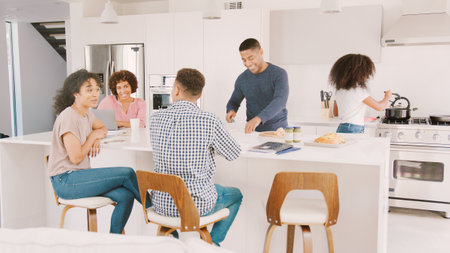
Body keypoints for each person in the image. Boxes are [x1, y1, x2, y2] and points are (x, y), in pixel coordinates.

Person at [48, 69, 150, 234]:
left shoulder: (86, 113)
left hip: (79, 176)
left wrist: (95, 136)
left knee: (125, 196)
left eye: (96, 89)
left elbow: (102, 127)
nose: (95, 94)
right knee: (127, 173)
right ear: (75, 94)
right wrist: (93, 136)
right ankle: (155, 212)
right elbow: (76, 157)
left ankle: (112, 242)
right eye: (89, 90)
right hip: (66, 180)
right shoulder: (68, 117)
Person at [150, 68, 242, 246]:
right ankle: (211, 245)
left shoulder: (155, 118)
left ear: (176, 90)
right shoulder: (209, 120)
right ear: (199, 94)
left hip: (161, 204)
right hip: (195, 206)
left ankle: (173, 244)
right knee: (236, 195)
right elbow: (233, 153)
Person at [226, 38, 289, 133]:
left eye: (251, 58)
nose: (247, 63)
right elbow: (234, 101)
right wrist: (231, 110)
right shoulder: (242, 79)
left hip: (278, 131)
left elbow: (280, 101)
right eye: (244, 60)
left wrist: (259, 118)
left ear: (261, 52)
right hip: (253, 132)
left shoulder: (279, 74)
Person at [329, 54, 392, 133]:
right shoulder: (359, 91)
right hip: (354, 128)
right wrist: (387, 97)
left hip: (342, 127)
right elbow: (379, 107)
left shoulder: (339, 91)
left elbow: (336, 113)